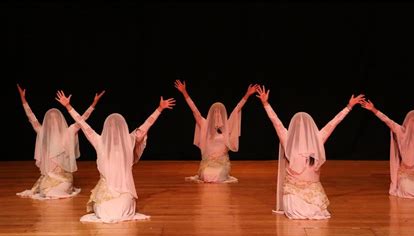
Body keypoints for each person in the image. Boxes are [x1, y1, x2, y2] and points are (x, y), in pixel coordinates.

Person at [56, 90, 175, 223]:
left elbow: (146, 125)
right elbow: (82, 124)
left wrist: (159, 109)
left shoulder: (121, 141)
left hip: (116, 199)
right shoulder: (112, 141)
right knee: (114, 208)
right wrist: (68, 107)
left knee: (109, 207)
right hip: (117, 199)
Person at [256, 85, 365, 219]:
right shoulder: (287, 139)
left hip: (311, 190)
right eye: (299, 126)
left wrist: (349, 107)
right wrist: (265, 103)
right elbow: (276, 121)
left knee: (316, 212)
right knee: (297, 212)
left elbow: (334, 123)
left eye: (304, 127)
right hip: (293, 192)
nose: (301, 130)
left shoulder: (317, 139)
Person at [16, 84, 105, 200]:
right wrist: (23, 99)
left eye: (55, 119)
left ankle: (62, 188)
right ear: (47, 122)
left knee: (54, 191)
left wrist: (93, 104)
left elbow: (82, 120)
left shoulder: (68, 132)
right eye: (50, 120)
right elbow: (31, 116)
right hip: (49, 177)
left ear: (60, 121)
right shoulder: (43, 133)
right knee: (46, 191)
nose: (53, 122)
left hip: (64, 178)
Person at [174, 79, 257, 183]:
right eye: (215, 112)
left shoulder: (227, 126)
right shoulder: (205, 125)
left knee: (217, 176)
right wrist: (184, 92)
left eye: (219, 112)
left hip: (221, 163)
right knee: (207, 176)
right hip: (208, 162)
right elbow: (194, 109)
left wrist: (247, 95)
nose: (217, 115)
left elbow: (237, 109)